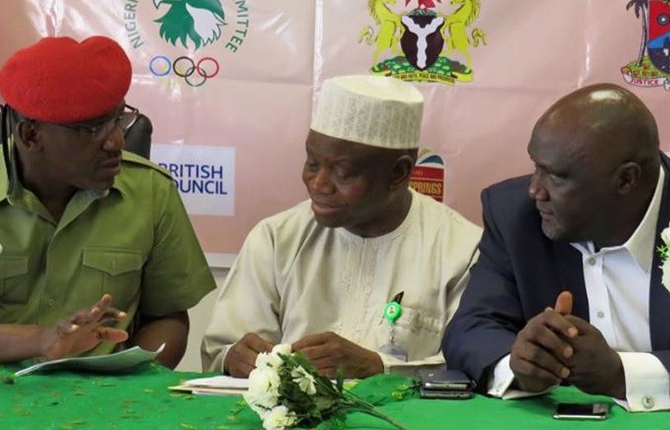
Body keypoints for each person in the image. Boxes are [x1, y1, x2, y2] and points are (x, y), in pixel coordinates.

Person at [0, 36, 215, 369]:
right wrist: (45, 340)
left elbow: (168, 318)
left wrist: (133, 390)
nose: (117, 141)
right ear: (31, 136)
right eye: (92, 129)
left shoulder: (150, 192)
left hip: (100, 402)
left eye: (118, 119)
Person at [442, 83, 670, 411]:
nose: (534, 191)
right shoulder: (515, 217)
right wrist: (519, 365)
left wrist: (622, 374)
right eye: (535, 166)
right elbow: (470, 329)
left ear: (626, 180)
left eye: (555, 176)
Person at [201, 75, 482, 378]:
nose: (318, 184)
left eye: (342, 172)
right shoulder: (276, 238)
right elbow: (222, 351)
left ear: (398, 173)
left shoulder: (461, 251)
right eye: (312, 164)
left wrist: (380, 369)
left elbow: (472, 370)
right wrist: (234, 358)